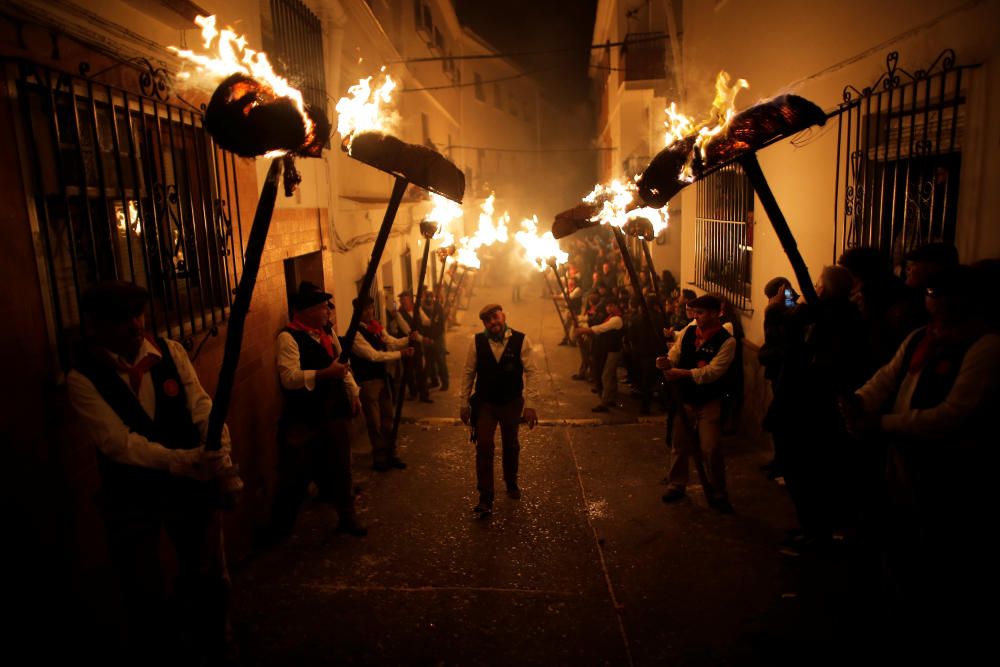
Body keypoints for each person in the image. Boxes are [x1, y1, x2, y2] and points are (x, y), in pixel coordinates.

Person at [67, 281, 235, 661]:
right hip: (131, 495)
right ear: (95, 325)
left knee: (207, 574)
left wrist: (216, 440)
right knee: (143, 588)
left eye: (137, 314)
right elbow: (118, 443)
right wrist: (183, 461)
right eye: (121, 319)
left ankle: (215, 644)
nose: (134, 325)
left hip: (189, 489)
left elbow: (200, 404)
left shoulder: (171, 352)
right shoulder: (83, 379)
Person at [841, 265, 999, 649]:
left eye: (944, 294)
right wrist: (858, 402)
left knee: (937, 553)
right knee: (896, 540)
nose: (936, 301)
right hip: (900, 460)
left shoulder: (985, 347)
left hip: (949, 469)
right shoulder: (920, 338)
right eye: (932, 293)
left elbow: (954, 414)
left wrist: (882, 424)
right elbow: (887, 378)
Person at [272, 282, 366, 539]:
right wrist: (326, 373)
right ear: (307, 311)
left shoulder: (327, 333)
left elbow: (342, 363)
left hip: (334, 411)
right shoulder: (288, 337)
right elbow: (289, 378)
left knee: (342, 468)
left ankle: (348, 518)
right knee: (295, 473)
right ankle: (281, 529)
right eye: (323, 307)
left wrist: (353, 391)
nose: (327, 312)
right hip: (305, 416)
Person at [656, 294, 737, 512]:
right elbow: (675, 352)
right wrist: (666, 362)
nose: (696, 317)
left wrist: (681, 373)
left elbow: (713, 372)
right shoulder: (689, 332)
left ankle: (718, 490)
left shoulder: (727, 341)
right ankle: (676, 484)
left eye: (700, 313)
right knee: (679, 444)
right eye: (695, 313)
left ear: (714, 313)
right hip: (685, 399)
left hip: (709, 401)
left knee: (710, 448)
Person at [459, 303, 540, 518]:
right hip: (485, 403)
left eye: (495, 317)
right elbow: (468, 373)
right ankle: (485, 498)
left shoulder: (521, 340)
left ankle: (511, 481)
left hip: (512, 402)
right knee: (484, 446)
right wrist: (463, 402)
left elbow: (532, 372)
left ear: (503, 316)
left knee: (511, 444)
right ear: (484, 323)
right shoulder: (477, 342)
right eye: (488, 320)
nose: (493, 323)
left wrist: (531, 405)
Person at [351, 294, 414, 471]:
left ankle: (390, 453)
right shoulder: (354, 333)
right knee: (375, 422)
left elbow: (391, 343)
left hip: (383, 378)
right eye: (365, 309)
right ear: (357, 312)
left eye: (371, 308)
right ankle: (379, 457)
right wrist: (401, 354)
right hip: (368, 381)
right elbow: (373, 355)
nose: (370, 312)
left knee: (388, 418)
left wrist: (409, 339)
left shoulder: (376, 327)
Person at [576, 299, 625, 412]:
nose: (608, 308)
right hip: (610, 350)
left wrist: (584, 330)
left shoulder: (616, 319)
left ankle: (604, 402)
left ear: (616, 306)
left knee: (606, 376)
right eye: (607, 306)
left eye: (611, 305)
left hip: (614, 351)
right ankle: (612, 398)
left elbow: (601, 328)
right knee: (611, 375)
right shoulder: (611, 317)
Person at [393, 289, 433, 403]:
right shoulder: (399, 314)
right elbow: (407, 331)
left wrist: (434, 319)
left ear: (410, 299)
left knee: (420, 369)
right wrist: (422, 339)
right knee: (409, 371)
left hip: (418, 345)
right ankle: (413, 392)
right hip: (406, 344)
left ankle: (424, 395)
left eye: (405, 299)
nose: (403, 302)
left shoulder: (417, 309)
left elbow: (426, 321)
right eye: (402, 300)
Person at [421, 289, 449, 391]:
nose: (428, 299)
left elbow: (440, 325)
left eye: (430, 297)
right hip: (427, 339)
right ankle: (434, 381)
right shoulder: (422, 308)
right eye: (426, 297)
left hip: (437, 339)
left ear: (432, 297)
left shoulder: (438, 307)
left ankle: (445, 383)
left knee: (441, 361)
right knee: (430, 362)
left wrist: (434, 337)